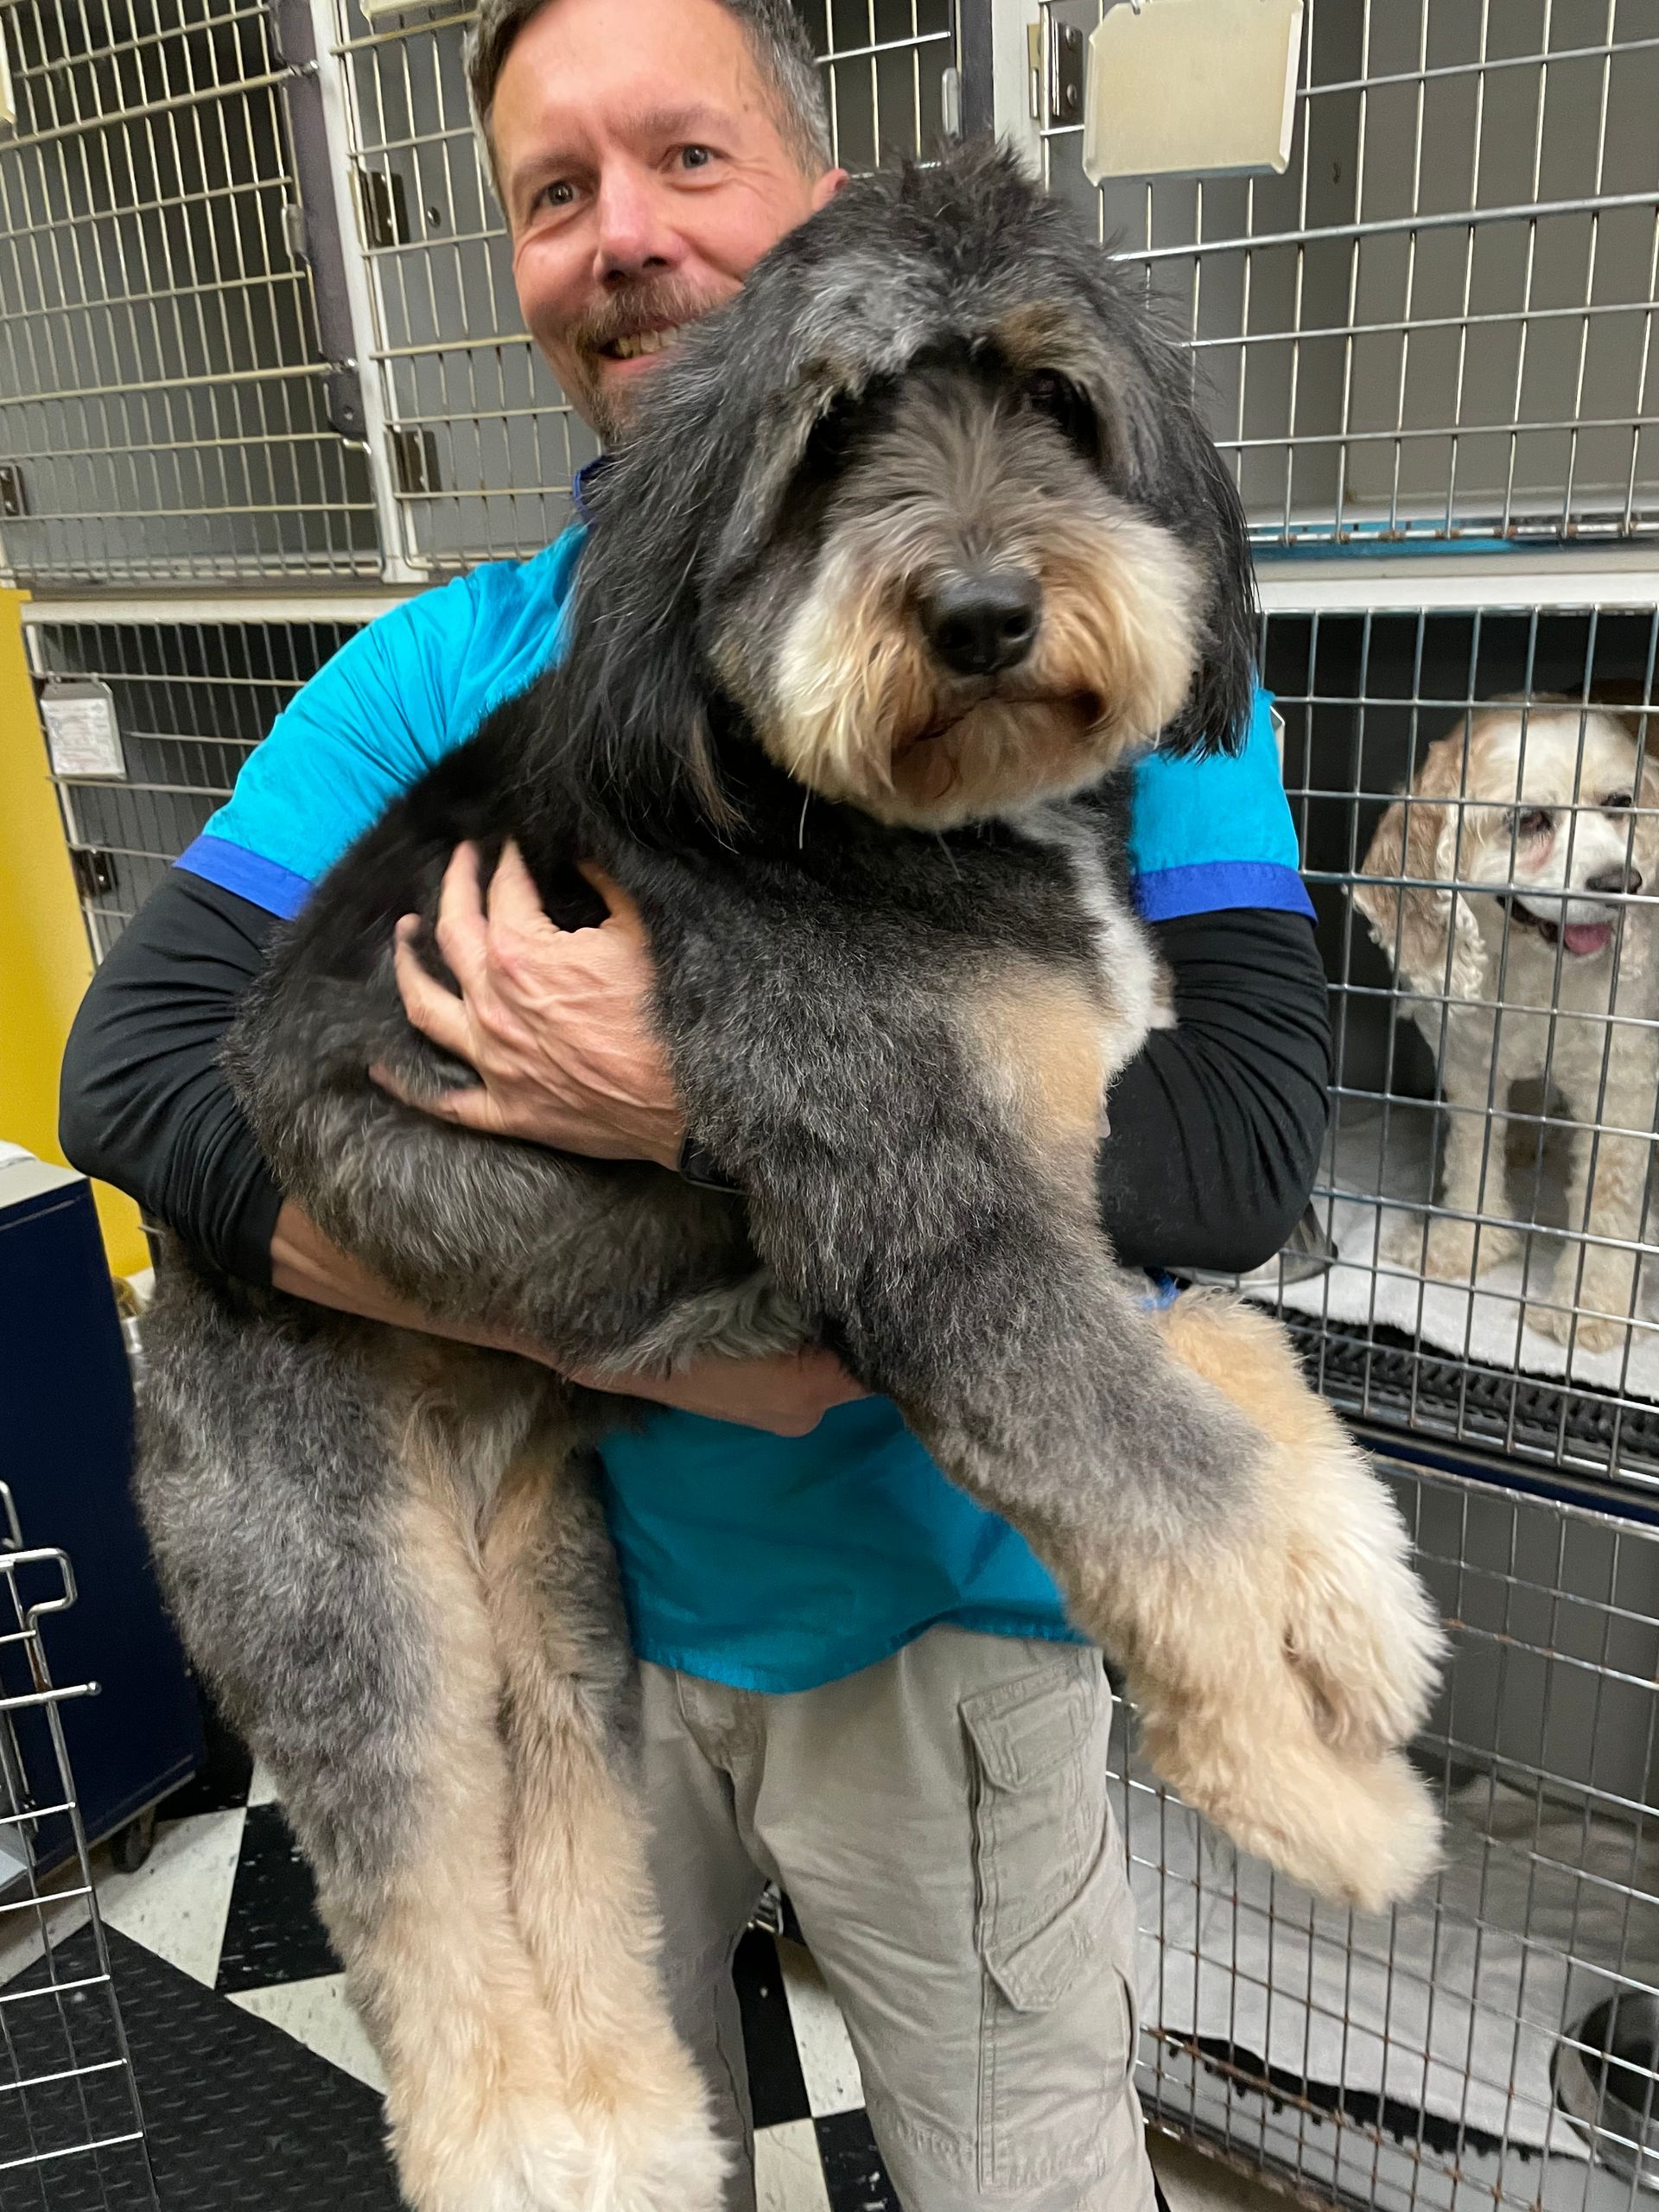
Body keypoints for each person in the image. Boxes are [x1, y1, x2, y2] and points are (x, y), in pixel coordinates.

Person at [60, 2, 1331, 2205]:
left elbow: (1236, 1149)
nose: (625, 240)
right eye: (556, 194)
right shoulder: (437, 667)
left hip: (942, 1622)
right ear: (513, 266)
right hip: (560, 1609)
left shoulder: (1094, 621)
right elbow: (137, 1072)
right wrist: (597, 1328)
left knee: (1020, 2166)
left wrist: (689, 1102)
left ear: (823, 209)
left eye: (687, 160)